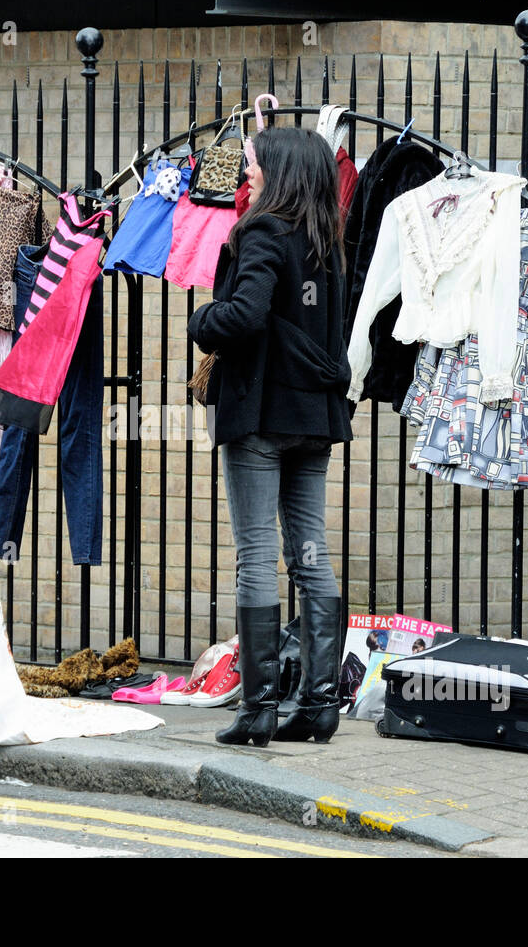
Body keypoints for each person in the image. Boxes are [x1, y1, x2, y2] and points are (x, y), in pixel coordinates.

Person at [188, 127, 353, 747]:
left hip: (260, 415)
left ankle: (257, 709)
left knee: (256, 554)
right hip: (313, 419)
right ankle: (318, 705)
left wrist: (204, 320)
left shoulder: (262, 231)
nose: (244, 177)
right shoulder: (326, 240)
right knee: (310, 555)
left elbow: (244, 314)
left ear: (279, 171)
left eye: (252, 166)